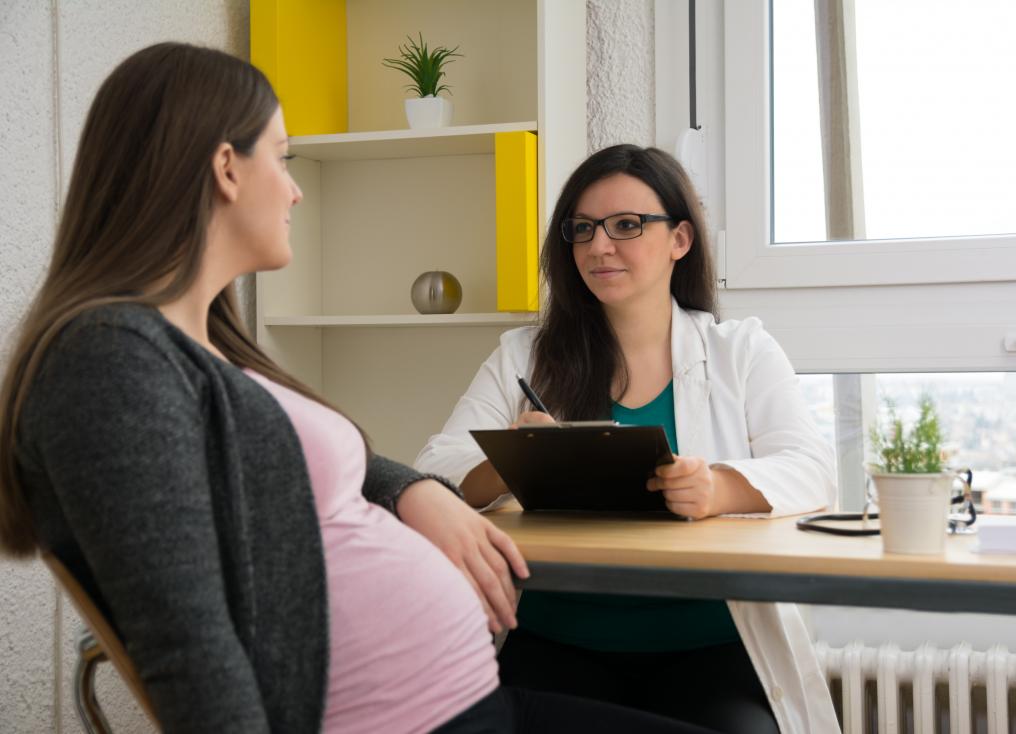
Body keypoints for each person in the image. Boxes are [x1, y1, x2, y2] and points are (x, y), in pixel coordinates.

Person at [0, 44, 720, 734]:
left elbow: (303, 462)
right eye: (280, 159)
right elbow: (186, 644)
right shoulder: (109, 364)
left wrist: (416, 492)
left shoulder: (203, 351)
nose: (294, 187)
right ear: (226, 167)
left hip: (475, 704)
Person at [415, 144, 841, 733]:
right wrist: (514, 460)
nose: (598, 246)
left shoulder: (740, 351)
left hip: (707, 644)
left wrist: (717, 488)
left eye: (626, 226)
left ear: (680, 240)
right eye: (583, 229)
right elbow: (433, 468)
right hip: (555, 637)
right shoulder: (524, 353)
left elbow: (813, 469)